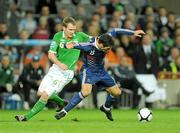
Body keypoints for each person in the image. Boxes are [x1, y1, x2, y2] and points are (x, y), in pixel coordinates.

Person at [55, 30, 145, 121]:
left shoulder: (106, 38)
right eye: (107, 48)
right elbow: (71, 44)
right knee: (86, 92)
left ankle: (106, 108)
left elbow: (115, 30)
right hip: (89, 71)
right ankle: (64, 111)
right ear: (100, 44)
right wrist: (65, 45)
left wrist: (133, 33)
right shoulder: (88, 45)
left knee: (117, 92)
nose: (108, 50)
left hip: (101, 72)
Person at [15, 17, 91, 121]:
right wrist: (59, 64)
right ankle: (61, 102)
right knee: (40, 93)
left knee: (45, 95)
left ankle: (26, 117)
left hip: (66, 73)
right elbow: (51, 55)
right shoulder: (58, 36)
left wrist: (105, 39)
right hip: (55, 69)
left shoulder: (80, 36)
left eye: (74, 29)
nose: (73, 32)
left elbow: (94, 40)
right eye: (70, 29)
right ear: (63, 28)